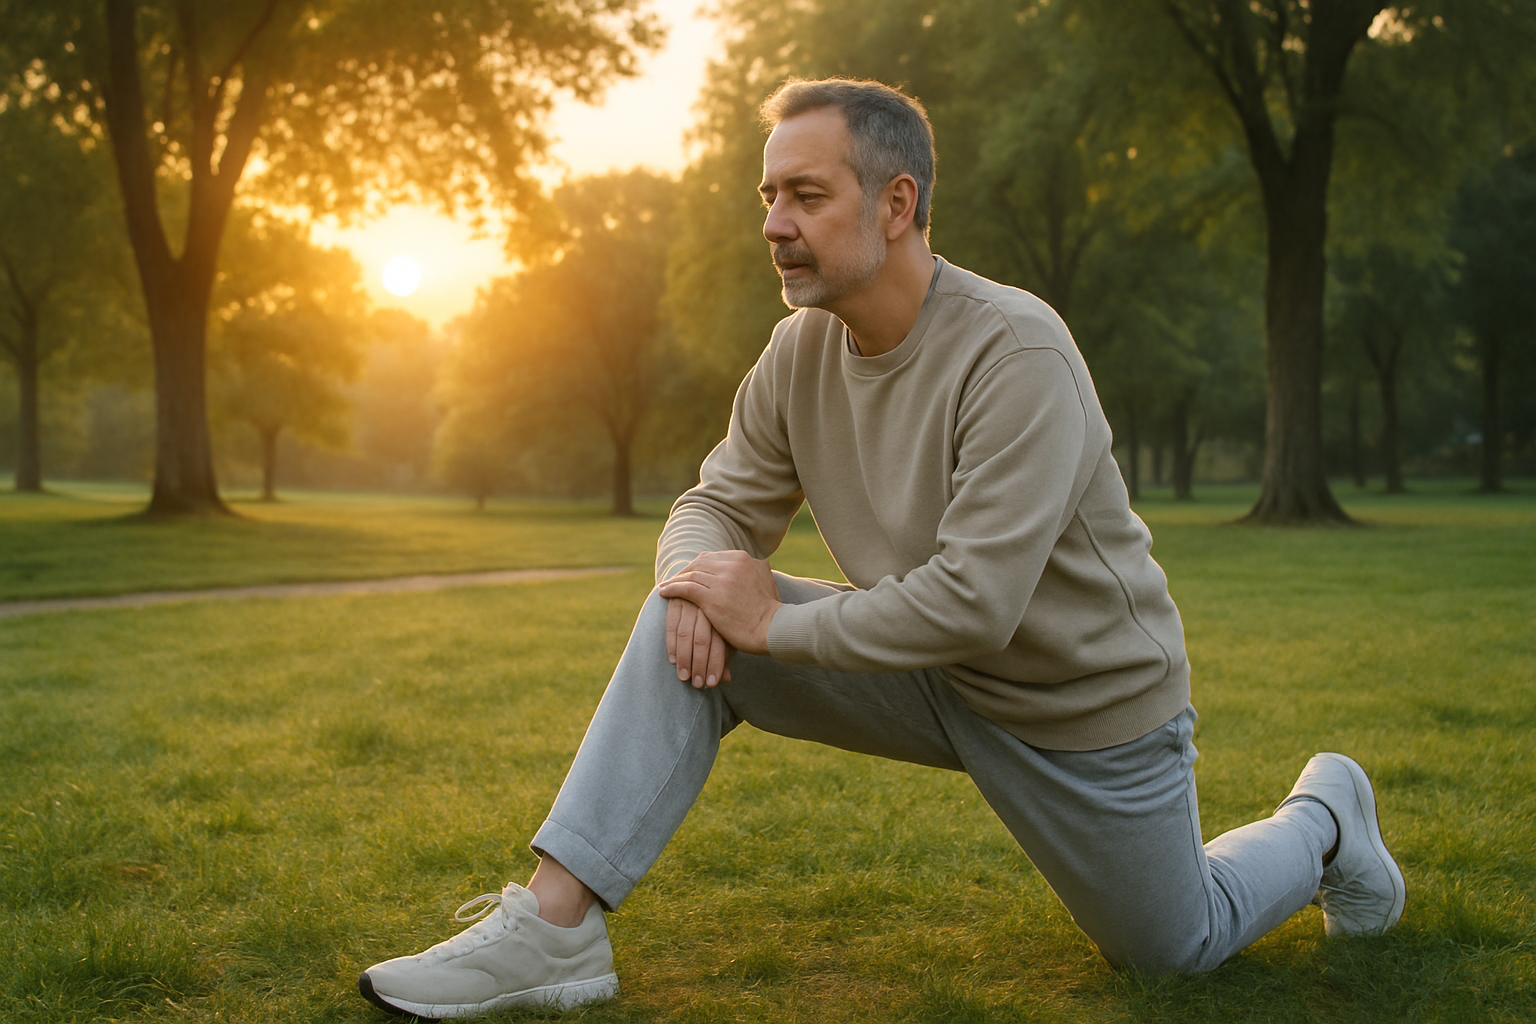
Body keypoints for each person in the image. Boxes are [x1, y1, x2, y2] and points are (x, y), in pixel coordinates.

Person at [357, 78, 1405, 1019]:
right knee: (678, 615)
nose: (774, 224)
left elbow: (976, 602)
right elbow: (717, 500)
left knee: (1173, 951)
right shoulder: (798, 348)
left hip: (1080, 709)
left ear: (897, 205)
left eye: (805, 196)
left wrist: (767, 616)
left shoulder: (1016, 351)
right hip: (922, 672)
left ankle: (1323, 816)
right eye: (767, 198)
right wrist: (691, 586)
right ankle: (555, 925)